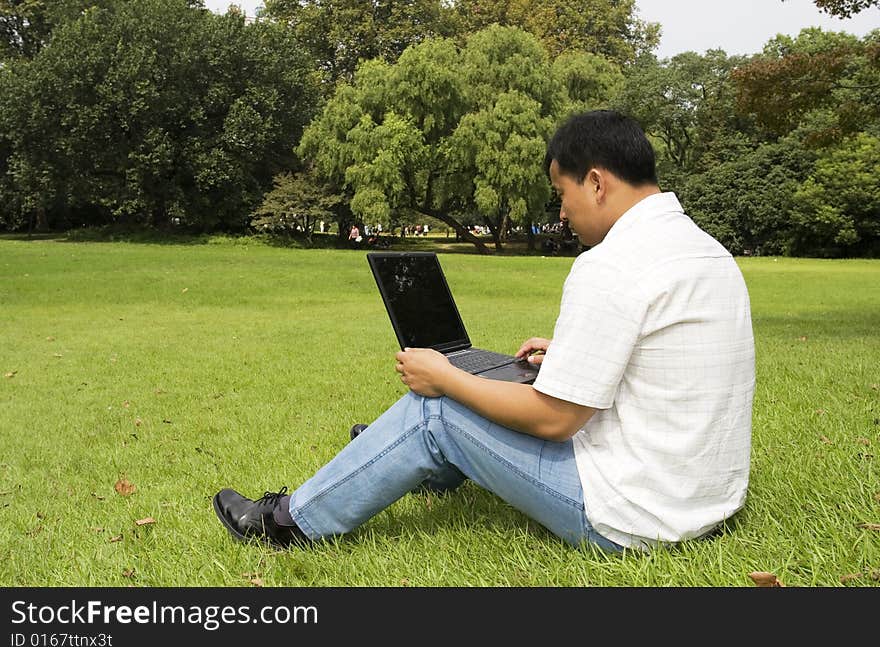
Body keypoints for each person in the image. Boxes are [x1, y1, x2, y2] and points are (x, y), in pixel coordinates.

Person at [213, 110, 755, 552]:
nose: (561, 215)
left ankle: (287, 523)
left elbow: (556, 420)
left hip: (633, 516)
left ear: (596, 182)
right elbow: (665, 357)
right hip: (704, 502)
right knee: (493, 386)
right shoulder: (704, 250)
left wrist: (445, 379)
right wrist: (569, 354)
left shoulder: (612, 263)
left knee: (435, 410)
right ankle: (402, 459)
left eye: (561, 195)